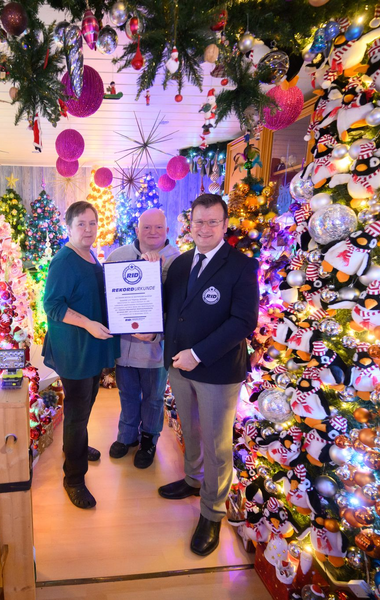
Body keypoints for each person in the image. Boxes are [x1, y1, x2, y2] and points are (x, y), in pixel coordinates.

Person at [158, 194, 259, 556]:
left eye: (212, 222)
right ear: (190, 223)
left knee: (218, 445)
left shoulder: (242, 266)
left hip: (216, 369)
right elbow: (170, 311)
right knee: (192, 428)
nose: (204, 228)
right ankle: (191, 479)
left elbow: (244, 322)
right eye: (198, 221)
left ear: (225, 224)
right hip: (179, 365)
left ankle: (212, 511)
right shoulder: (182, 263)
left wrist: (198, 354)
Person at [43, 201, 120, 509]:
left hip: (91, 346)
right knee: (77, 412)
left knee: (85, 404)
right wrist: (88, 324)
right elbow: (53, 306)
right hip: (73, 347)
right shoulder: (64, 261)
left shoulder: (89, 255)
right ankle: (73, 478)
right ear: (69, 227)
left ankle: (73, 446)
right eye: (81, 224)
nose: (88, 230)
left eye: (92, 223)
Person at [105, 209, 180, 468]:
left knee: (153, 397)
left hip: (155, 349)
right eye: (146, 227)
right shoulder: (118, 256)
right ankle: (126, 436)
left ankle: (148, 439)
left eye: (158, 227)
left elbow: (179, 309)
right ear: (137, 230)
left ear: (167, 231)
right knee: (127, 394)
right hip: (124, 347)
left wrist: (158, 334)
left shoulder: (178, 261)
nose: (152, 232)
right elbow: (108, 298)